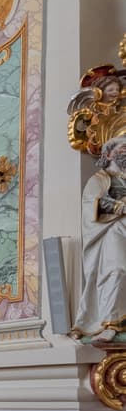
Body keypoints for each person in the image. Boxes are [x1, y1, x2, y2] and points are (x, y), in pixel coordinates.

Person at [73, 136, 126, 340]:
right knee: (117, 270)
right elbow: (93, 203)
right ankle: (110, 322)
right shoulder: (99, 179)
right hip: (112, 229)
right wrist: (119, 206)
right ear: (109, 154)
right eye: (122, 149)